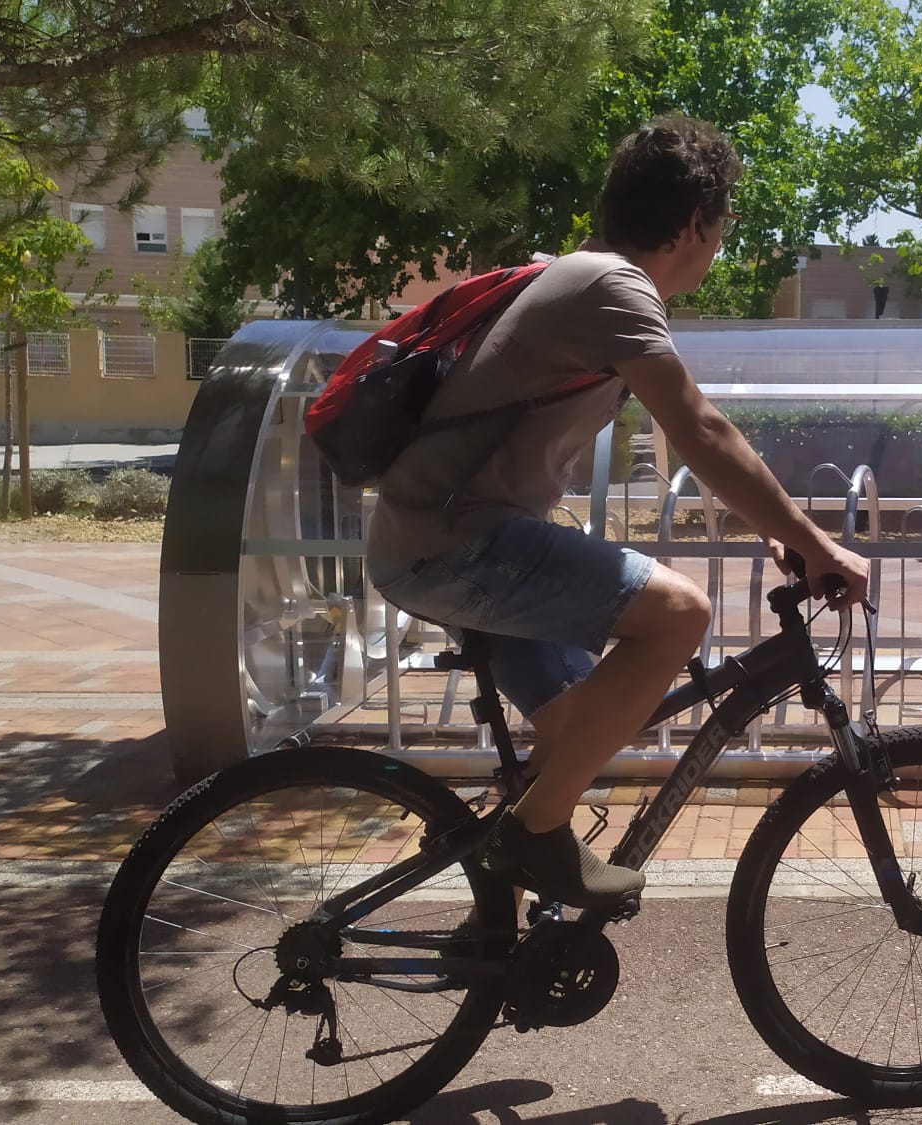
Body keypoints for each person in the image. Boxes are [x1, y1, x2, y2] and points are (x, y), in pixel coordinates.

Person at [366, 115, 871, 910]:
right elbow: (700, 427)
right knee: (678, 614)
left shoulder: (580, 278)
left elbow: (692, 440)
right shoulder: (614, 287)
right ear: (694, 225)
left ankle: (502, 910)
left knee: (578, 733)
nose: (721, 241)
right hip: (456, 543)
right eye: (723, 224)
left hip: (446, 536)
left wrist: (778, 530)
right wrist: (813, 541)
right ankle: (532, 838)